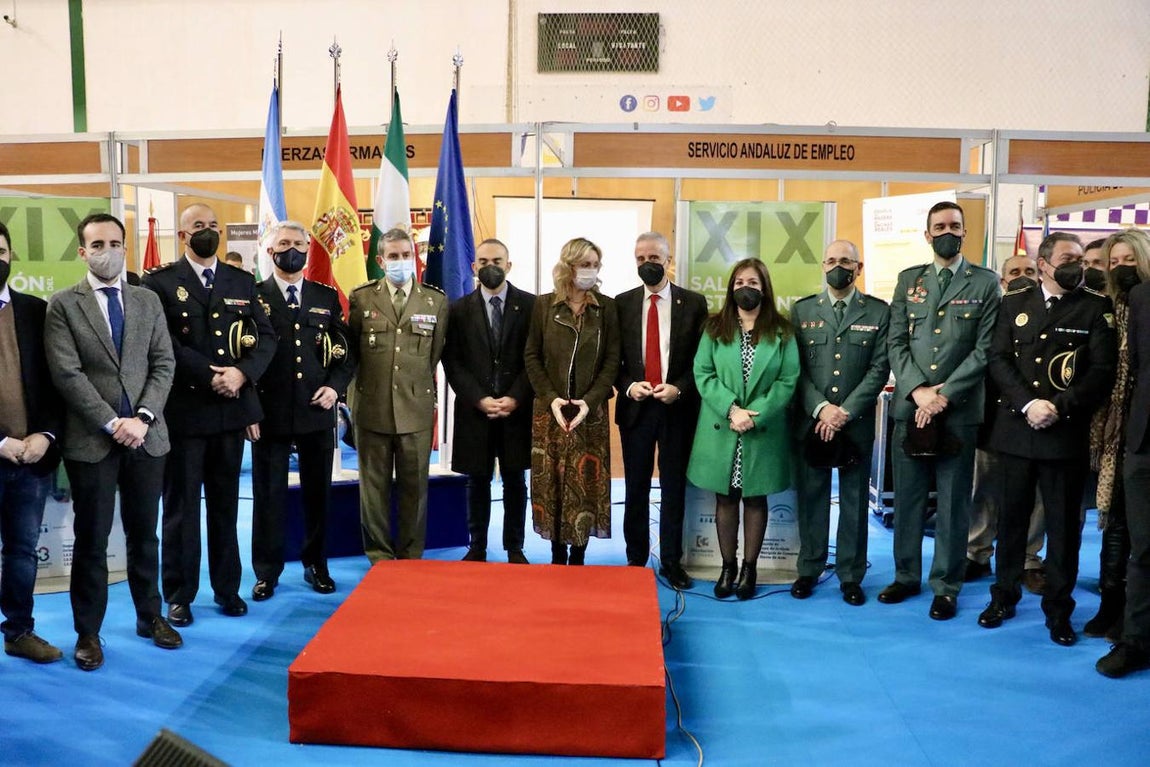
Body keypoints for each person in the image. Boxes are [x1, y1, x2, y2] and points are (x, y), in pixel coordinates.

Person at [44, 213, 181, 670]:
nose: (109, 251)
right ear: (83, 252)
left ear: (127, 246)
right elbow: (67, 374)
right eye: (98, 244)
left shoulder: (147, 301)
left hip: (147, 437)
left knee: (146, 534)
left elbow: (164, 363)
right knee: (92, 539)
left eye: (116, 243)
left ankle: (150, 616)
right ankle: (88, 632)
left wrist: (141, 417)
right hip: (92, 442)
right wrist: (111, 422)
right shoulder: (63, 305)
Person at [978, 232, 1117, 646]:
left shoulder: (1095, 307)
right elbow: (998, 359)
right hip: (1018, 430)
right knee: (1012, 521)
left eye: (1080, 258)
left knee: (1063, 529)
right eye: (1067, 258)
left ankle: (1059, 610)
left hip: (1064, 433)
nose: (1077, 265)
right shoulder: (1013, 304)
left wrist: (1058, 406)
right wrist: (1028, 404)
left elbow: (1101, 370)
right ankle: (1003, 596)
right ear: (1043, 264)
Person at [142, 203, 275, 626]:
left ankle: (226, 588)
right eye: (198, 226)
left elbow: (264, 338)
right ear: (182, 236)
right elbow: (162, 343)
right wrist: (211, 373)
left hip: (229, 411)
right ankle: (179, 594)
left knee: (225, 505)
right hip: (184, 412)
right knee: (181, 508)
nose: (207, 232)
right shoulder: (161, 282)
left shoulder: (241, 279)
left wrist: (241, 374)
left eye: (213, 225)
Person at [882, 201, 1000, 620]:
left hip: (958, 409)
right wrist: (917, 392)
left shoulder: (986, 283)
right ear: (927, 234)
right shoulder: (908, 280)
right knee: (909, 499)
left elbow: (985, 349)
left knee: (953, 504)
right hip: (911, 409)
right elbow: (896, 342)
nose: (947, 231)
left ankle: (946, 586)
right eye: (939, 226)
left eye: (954, 225)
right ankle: (905, 576)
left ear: (965, 232)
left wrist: (942, 396)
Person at [248, 222, 355, 600]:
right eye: (283, 244)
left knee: (317, 495)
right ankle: (266, 572)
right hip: (268, 414)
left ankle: (316, 565)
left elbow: (345, 352)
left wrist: (335, 388)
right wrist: (249, 410)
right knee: (268, 494)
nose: (290, 250)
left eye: (297, 244)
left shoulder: (324, 297)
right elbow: (241, 355)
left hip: (315, 410)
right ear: (270, 250)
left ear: (308, 250)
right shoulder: (253, 296)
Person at [687, 257, 798, 600]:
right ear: (730, 288)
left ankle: (750, 569)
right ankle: (727, 566)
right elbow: (702, 373)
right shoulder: (714, 328)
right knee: (725, 498)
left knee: (755, 497)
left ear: (764, 287)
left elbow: (787, 379)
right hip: (722, 426)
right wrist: (733, 409)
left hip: (761, 429)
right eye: (738, 283)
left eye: (752, 282)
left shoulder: (782, 331)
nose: (745, 288)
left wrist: (755, 414)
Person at [791, 240, 890, 606]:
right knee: (812, 497)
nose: (838, 267)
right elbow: (794, 370)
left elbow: (880, 368)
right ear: (822, 266)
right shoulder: (802, 311)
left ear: (858, 267)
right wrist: (820, 409)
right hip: (812, 423)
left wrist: (843, 411)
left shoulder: (879, 312)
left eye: (845, 261)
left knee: (854, 501)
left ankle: (851, 574)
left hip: (856, 422)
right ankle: (809, 567)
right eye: (831, 261)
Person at [348, 227, 448, 562]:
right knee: (372, 490)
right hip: (371, 407)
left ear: (415, 258)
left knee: (415, 488)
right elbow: (352, 355)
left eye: (406, 255)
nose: (401, 262)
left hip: (415, 408)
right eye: (393, 256)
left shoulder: (435, 302)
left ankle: (410, 555)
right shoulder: (362, 298)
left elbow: (432, 356)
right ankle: (379, 555)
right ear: (380, 260)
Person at [615, 232, 708, 589]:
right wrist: (628, 385)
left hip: (676, 409)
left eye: (653, 257)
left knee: (674, 489)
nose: (646, 264)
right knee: (635, 488)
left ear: (668, 260)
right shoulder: (620, 304)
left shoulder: (694, 303)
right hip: (636, 408)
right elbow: (614, 360)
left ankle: (671, 561)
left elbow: (702, 360)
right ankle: (635, 558)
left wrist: (680, 389)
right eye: (640, 258)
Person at [524, 237, 620, 565]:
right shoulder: (543, 306)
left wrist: (590, 401)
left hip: (589, 413)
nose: (590, 271)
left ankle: (578, 553)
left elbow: (612, 360)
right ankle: (555, 552)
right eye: (584, 264)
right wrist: (550, 399)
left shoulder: (607, 308)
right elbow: (532, 356)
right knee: (551, 481)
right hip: (549, 411)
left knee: (585, 482)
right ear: (568, 267)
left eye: (594, 264)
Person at [442, 238, 535, 564]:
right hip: (474, 410)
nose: (490, 267)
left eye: (497, 260)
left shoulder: (532, 305)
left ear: (509, 265)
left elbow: (534, 360)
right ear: (474, 267)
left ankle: (515, 547)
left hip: (516, 410)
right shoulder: (457, 309)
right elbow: (452, 361)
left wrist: (516, 397)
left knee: (515, 480)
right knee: (477, 480)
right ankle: (477, 546)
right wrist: (478, 398)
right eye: (483, 261)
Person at [0, 220, 64, 665]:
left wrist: (46, 434)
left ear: (11, 256)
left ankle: (19, 631)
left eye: (1, 250)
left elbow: (58, 384)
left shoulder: (35, 311)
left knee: (22, 552)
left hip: (31, 459)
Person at [965, 254, 1048, 594]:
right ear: (1002, 281)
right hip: (991, 416)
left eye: (1030, 271)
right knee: (983, 488)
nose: (1022, 277)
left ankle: (1029, 558)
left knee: (1037, 496)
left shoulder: (1049, 313)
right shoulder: (989, 313)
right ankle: (976, 552)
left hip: (1034, 418)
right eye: (1014, 272)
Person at [1085, 229, 1150, 641]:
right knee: (1115, 522)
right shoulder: (1102, 310)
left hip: (1141, 428)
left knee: (1135, 526)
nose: (1120, 268)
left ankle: (1130, 610)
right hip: (1110, 432)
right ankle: (1111, 603)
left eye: (1129, 260)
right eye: (1114, 262)